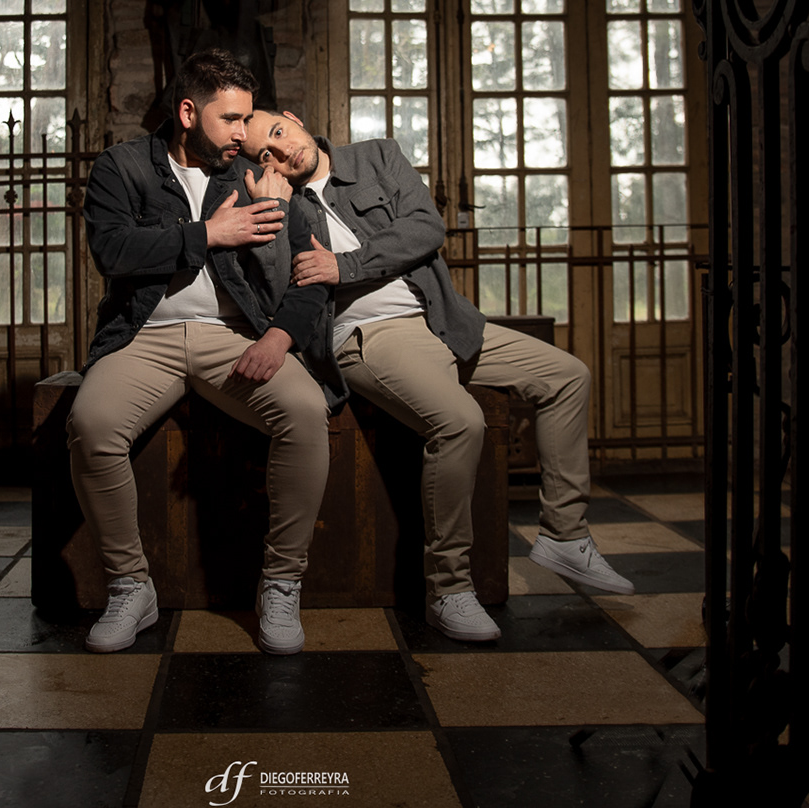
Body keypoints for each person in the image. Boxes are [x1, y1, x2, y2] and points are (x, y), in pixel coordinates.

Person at [242, 109, 634, 642]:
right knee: (461, 422)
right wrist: (273, 209)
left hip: (443, 316)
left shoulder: (377, 157)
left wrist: (344, 266)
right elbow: (275, 288)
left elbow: (425, 228)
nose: (282, 152)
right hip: (371, 335)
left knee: (566, 375)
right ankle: (449, 589)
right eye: (265, 155)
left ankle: (564, 534)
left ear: (293, 119)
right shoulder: (281, 202)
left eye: (278, 133)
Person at [68, 52, 337, 655]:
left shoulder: (253, 173)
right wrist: (209, 234)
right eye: (231, 119)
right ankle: (129, 585)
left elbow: (310, 273)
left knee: (304, 413)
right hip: (143, 338)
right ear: (188, 113)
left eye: (247, 119)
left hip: (233, 337)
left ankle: (281, 584)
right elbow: (112, 251)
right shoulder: (122, 167)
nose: (244, 133)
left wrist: (278, 337)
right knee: (91, 425)